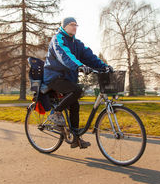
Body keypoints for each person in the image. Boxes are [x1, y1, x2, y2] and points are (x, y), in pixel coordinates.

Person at [43, 17, 112, 149]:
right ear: (64, 26)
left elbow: (90, 57)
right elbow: (65, 55)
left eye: (76, 25)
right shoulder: (58, 39)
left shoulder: (77, 43)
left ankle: (76, 138)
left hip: (68, 79)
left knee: (75, 105)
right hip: (54, 77)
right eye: (71, 24)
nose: (74, 27)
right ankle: (56, 113)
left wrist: (105, 67)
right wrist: (79, 66)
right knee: (76, 90)